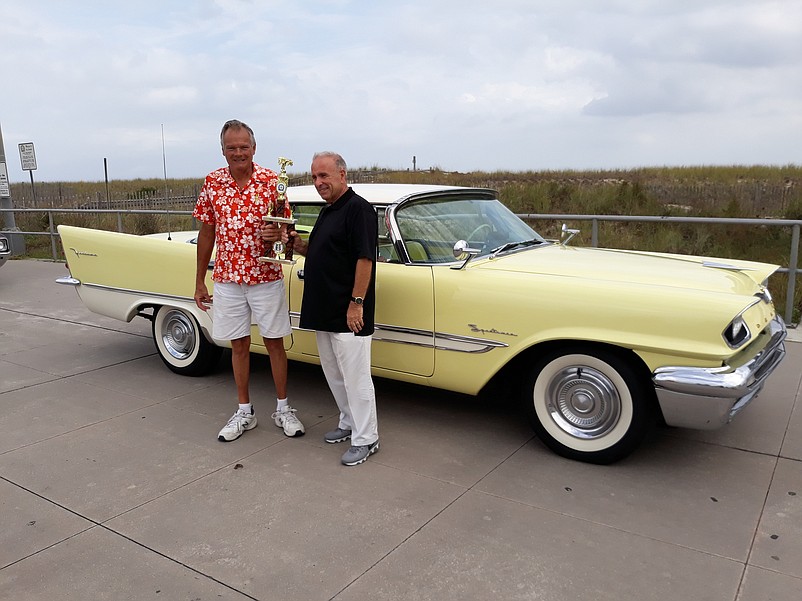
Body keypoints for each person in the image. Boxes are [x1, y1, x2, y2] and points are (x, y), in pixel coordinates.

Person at [193, 119, 305, 442]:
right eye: (232, 148)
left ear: (254, 148)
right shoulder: (212, 182)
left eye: (244, 147)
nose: (239, 152)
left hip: (265, 277)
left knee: (274, 343)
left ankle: (283, 408)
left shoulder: (273, 181)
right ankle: (245, 411)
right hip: (227, 278)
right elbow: (207, 233)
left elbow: (287, 230)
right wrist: (200, 280)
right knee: (238, 345)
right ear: (223, 150)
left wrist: (278, 234)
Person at [287, 151, 379, 466]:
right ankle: (348, 422)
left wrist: (357, 304)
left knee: (355, 377)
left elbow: (364, 259)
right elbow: (323, 252)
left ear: (342, 174)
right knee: (334, 373)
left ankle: (367, 439)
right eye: (314, 177)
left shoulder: (359, 210)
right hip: (323, 309)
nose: (318, 182)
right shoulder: (329, 210)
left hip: (348, 311)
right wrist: (301, 247)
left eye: (324, 176)